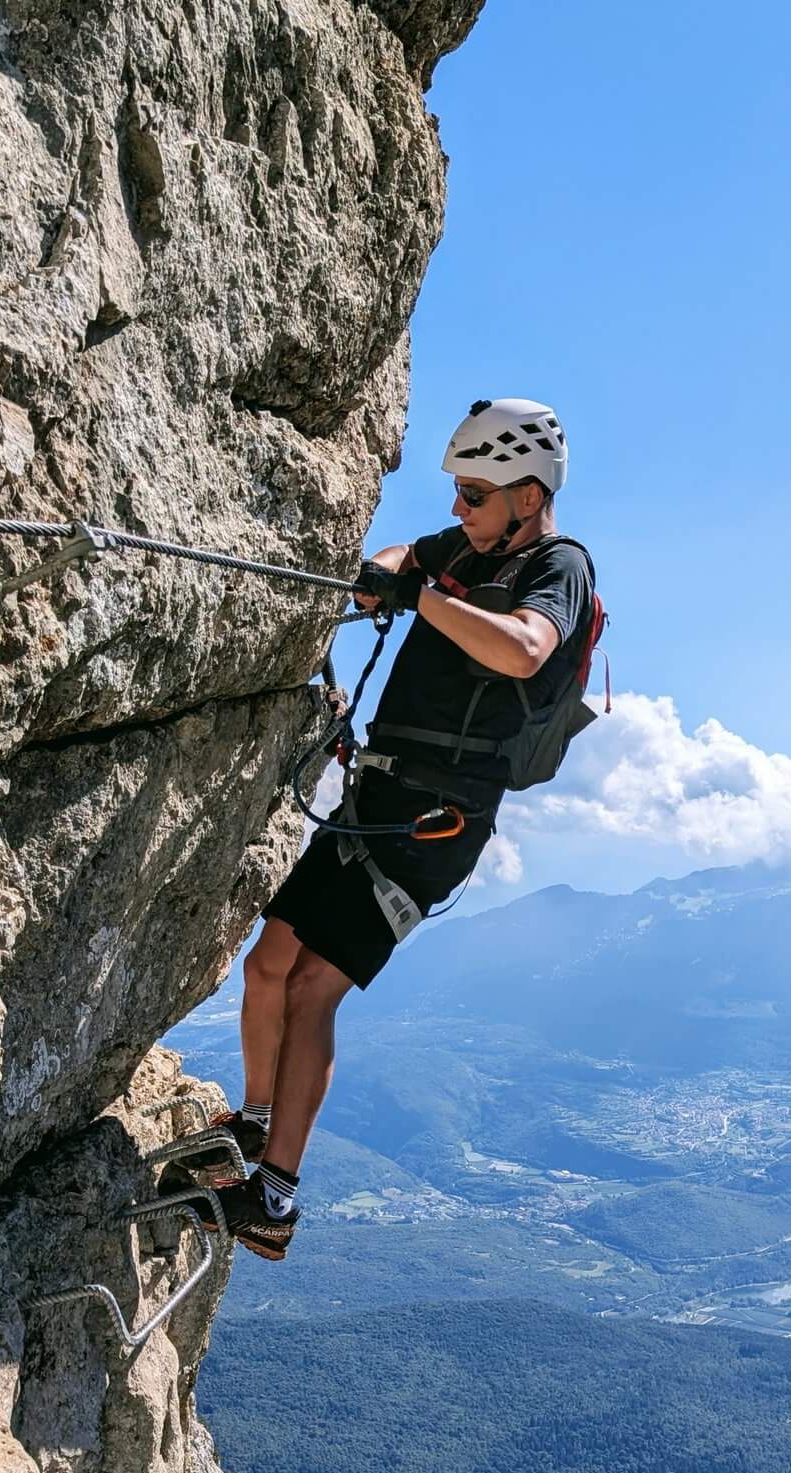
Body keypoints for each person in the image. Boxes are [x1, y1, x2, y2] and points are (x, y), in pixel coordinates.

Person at [169, 398, 597, 1260]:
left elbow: (522, 649)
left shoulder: (559, 566)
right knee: (268, 965)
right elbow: (405, 555)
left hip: (437, 826)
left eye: (475, 494)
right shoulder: (468, 548)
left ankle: (275, 1200)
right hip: (381, 796)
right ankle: (253, 1128)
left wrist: (426, 595)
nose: (457, 510)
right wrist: (390, 570)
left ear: (526, 497)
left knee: (312, 987)